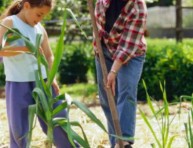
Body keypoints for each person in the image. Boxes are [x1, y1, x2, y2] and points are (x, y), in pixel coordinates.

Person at [0, 0, 77, 147]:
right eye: (39, 14)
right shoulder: (10, 22)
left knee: (58, 120)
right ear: (27, 5)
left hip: (43, 82)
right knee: (19, 129)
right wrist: (24, 49)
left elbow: (49, 55)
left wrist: (51, 77)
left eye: (43, 17)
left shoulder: (39, 28)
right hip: (18, 83)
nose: (40, 19)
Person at [93, 0, 147, 148]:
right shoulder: (101, 2)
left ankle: (123, 141)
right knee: (107, 97)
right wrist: (98, 49)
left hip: (131, 54)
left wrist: (113, 71)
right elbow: (97, 26)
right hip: (105, 51)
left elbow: (127, 46)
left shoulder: (137, 6)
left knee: (126, 91)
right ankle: (115, 142)